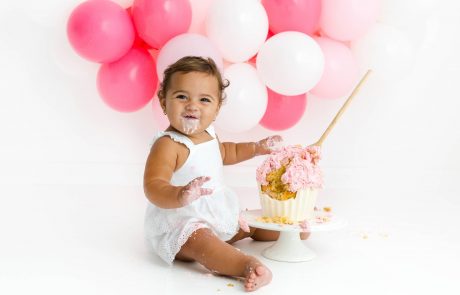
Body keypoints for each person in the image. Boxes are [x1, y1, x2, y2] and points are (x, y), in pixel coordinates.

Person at [143, 56, 308, 292]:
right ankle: (246, 265)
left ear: (217, 108)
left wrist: (256, 147)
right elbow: (153, 185)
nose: (193, 106)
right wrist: (179, 195)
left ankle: (287, 232)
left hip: (214, 210)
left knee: (246, 224)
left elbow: (224, 152)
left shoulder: (208, 132)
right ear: (163, 101)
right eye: (181, 97)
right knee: (204, 243)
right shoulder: (169, 144)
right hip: (182, 221)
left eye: (204, 100)